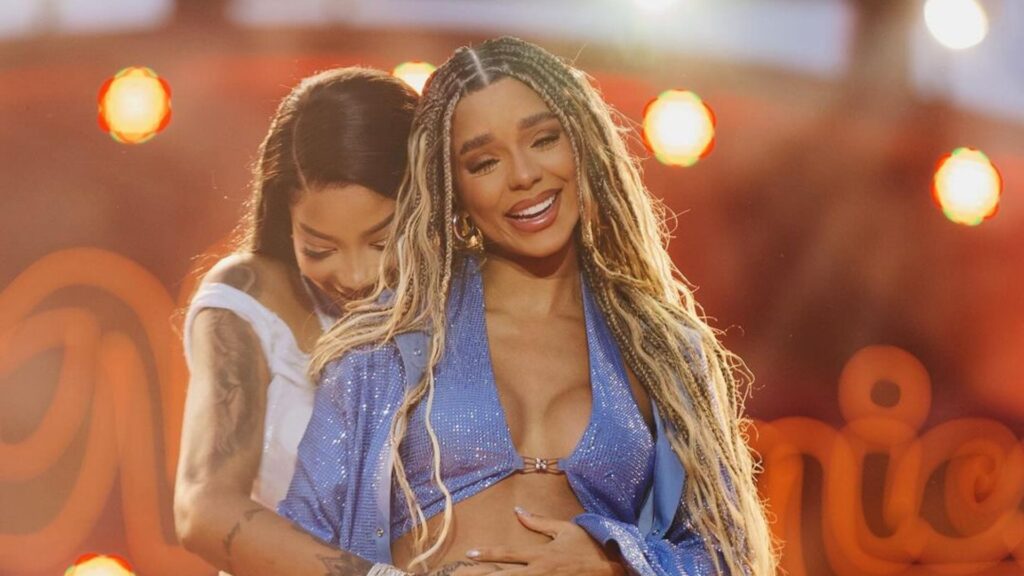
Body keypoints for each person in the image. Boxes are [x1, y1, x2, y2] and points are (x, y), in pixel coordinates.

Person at [281, 37, 777, 576]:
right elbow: (299, 543)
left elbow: (728, 557)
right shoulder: (389, 338)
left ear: (582, 144)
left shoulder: (665, 350)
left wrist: (617, 564)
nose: (522, 175)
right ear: (452, 188)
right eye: (484, 162)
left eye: (543, 139)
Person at [173, 67, 419, 576]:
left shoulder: (475, 299)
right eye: (320, 248)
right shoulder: (248, 297)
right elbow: (202, 508)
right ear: (286, 224)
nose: (356, 275)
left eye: (382, 241)